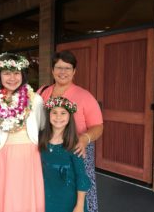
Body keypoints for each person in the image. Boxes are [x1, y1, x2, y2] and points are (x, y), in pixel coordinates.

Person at [38, 50, 103, 212]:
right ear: (52, 70)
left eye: (67, 68)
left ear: (74, 71)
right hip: (50, 148)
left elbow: (98, 126)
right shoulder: (42, 92)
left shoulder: (85, 96)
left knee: (81, 190)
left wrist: (84, 139)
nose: (63, 72)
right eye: (59, 68)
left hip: (76, 148)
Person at [0, 52, 45, 212]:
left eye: (16, 73)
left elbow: (41, 125)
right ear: (0, 75)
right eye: (7, 73)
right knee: (9, 195)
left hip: (30, 154)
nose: (12, 78)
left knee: (28, 195)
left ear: (23, 75)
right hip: (4, 155)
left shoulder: (35, 99)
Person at [39, 96, 91, 212]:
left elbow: (81, 176)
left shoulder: (74, 144)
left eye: (63, 113)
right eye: (54, 112)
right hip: (49, 196)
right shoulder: (41, 139)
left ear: (69, 117)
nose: (58, 117)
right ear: (49, 115)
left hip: (69, 198)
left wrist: (80, 206)